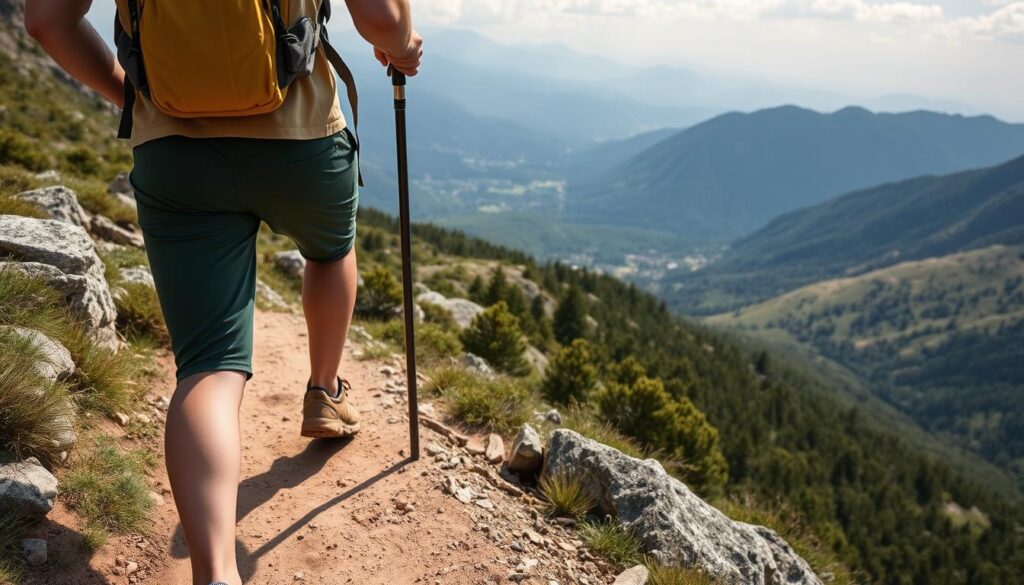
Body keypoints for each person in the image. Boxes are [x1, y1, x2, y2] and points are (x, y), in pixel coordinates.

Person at [25, 1, 422, 583]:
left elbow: (44, 21)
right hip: (303, 141)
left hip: (175, 156)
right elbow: (383, 19)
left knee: (209, 367)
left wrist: (135, 100)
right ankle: (325, 391)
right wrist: (403, 42)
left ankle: (216, 576)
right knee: (329, 251)